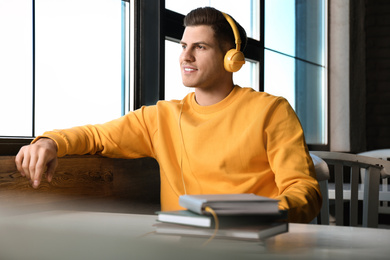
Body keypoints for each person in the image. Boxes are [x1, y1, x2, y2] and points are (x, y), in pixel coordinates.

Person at [15, 7, 321, 223]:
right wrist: (48, 142)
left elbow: (304, 190)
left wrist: (260, 216)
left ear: (232, 58)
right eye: (183, 45)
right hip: (182, 247)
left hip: (258, 245)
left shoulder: (271, 110)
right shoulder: (161, 116)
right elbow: (97, 135)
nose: (185, 56)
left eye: (199, 47)